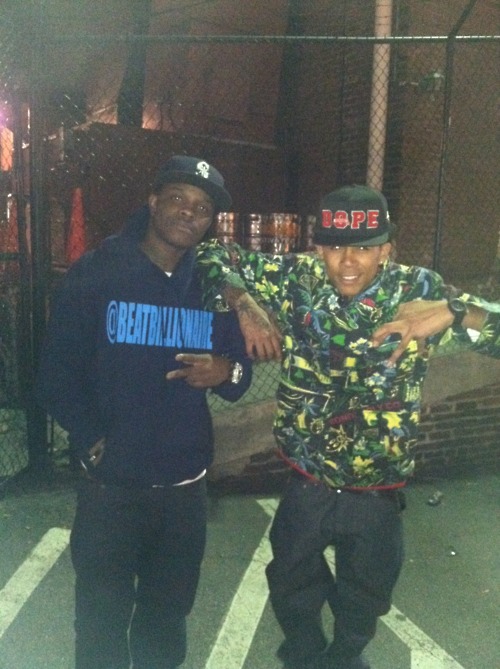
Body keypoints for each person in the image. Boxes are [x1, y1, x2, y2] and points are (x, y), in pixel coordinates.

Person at [196, 184, 500, 669]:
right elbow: (209, 253)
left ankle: (344, 656)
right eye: (335, 247)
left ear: (386, 249)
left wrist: (456, 311)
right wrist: (244, 302)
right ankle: (304, 651)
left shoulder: (417, 291)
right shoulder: (296, 278)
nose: (348, 262)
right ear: (318, 248)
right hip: (308, 478)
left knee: (367, 595)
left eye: (363, 247)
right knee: (290, 579)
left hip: (377, 488)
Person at [35, 155, 252, 669]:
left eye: (202, 207)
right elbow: (54, 372)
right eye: (178, 198)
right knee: (100, 620)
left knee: (167, 617)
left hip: (184, 489)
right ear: (153, 202)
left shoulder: (214, 286)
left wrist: (226, 371)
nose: (189, 212)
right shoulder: (99, 270)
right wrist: (90, 436)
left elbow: (239, 376)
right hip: (112, 487)